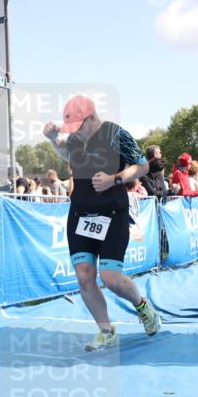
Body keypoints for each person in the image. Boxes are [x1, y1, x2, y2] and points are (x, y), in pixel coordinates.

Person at [43, 94, 160, 351]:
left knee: (110, 277)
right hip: (80, 214)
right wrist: (54, 139)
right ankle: (106, 331)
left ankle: (142, 306)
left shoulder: (116, 134)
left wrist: (113, 179)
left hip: (112, 213)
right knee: (84, 276)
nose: (76, 134)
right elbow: (67, 154)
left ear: (92, 118)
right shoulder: (76, 138)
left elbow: (141, 167)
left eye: (79, 127)